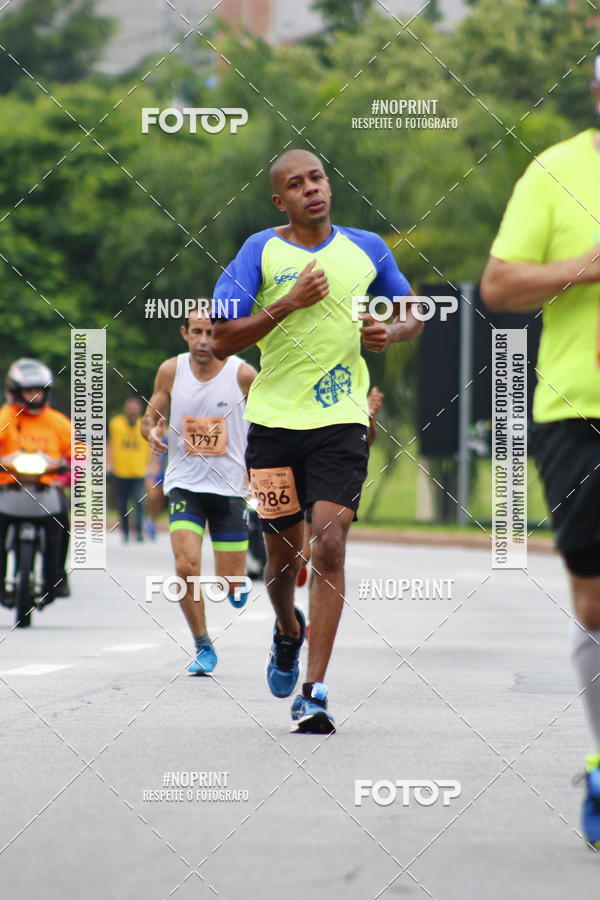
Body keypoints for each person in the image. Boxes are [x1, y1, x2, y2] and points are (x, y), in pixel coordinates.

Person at [211, 148, 422, 733]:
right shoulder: (260, 250)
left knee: (328, 544)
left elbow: (413, 311)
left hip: (341, 421)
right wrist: (286, 304)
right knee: (282, 561)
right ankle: (286, 629)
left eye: (318, 179)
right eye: (296, 185)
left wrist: (392, 331)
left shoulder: (368, 248)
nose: (312, 190)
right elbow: (223, 337)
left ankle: (316, 690)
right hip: (275, 425)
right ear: (280, 200)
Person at [480, 56, 600, 847]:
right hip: (577, 414)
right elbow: (497, 287)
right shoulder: (557, 171)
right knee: (595, 604)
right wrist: (585, 267)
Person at [141, 310, 257, 675]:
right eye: (196, 332)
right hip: (184, 483)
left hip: (229, 488)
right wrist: (152, 433)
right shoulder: (171, 371)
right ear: (184, 333)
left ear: (221, 334)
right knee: (185, 565)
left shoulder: (242, 374)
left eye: (210, 332)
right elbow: (150, 418)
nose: (204, 340)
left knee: (228, 582)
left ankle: (237, 580)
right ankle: (203, 644)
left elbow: (269, 421)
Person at [296, 385, 384, 587]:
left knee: (325, 548)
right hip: (300, 473)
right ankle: (287, 598)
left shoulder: (349, 389)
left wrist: (367, 415)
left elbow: (366, 440)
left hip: (330, 478)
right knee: (303, 554)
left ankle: (314, 617)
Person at [0, 358, 71, 604]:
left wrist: (74, 472)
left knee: (62, 522)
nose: (34, 396)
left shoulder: (57, 421)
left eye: (38, 390)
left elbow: (79, 451)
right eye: (29, 390)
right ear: (16, 391)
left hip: (47, 487)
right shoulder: (5, 417)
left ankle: (58, 578)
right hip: (8, 486)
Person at [108, 397, 150, 543]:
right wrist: (108, 463)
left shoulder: (144, 425)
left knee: (139, 501)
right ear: (125, 409)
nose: (132, 411)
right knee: (122, 503)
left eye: (135, 408)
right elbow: (110, 444)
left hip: (139, 471)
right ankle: (125, 531)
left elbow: (149, 446)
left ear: (139, 410)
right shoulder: (115, 424)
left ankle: (139, 531)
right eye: (130, 408)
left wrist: (152, 465)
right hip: (120, 471)